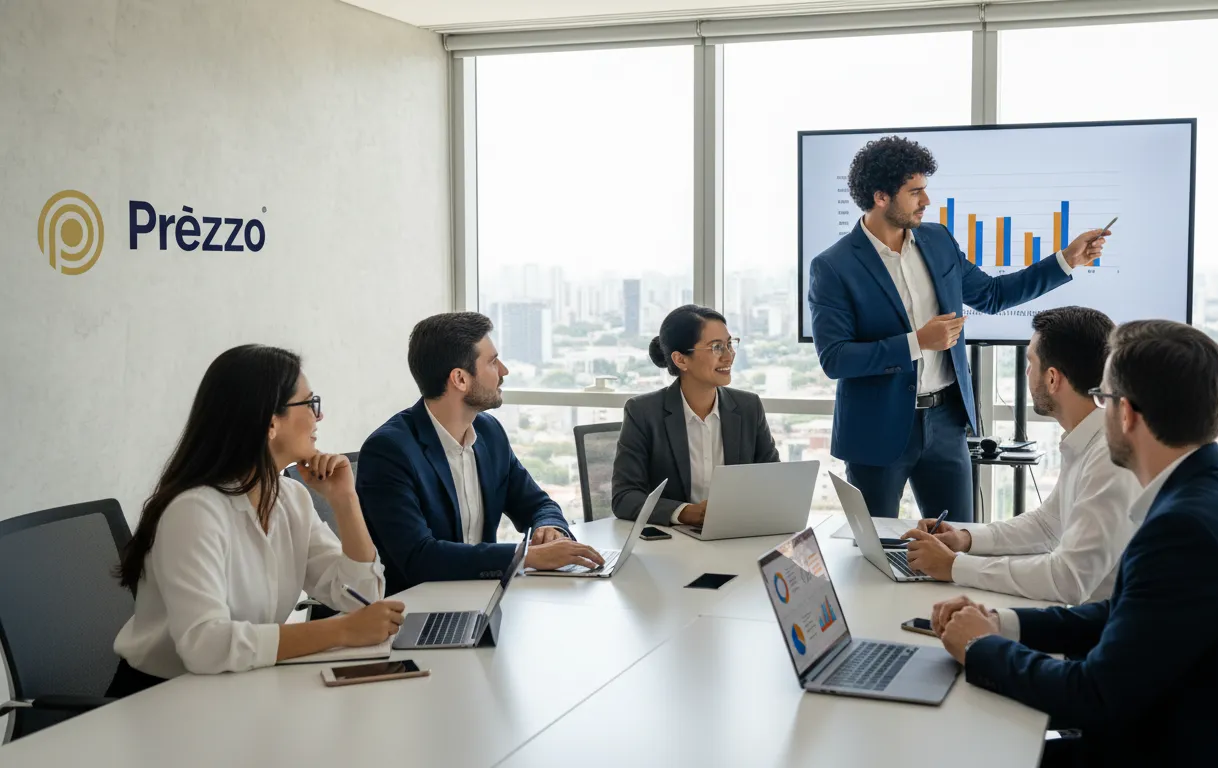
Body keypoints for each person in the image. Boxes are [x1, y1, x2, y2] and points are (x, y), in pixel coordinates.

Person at [931, 321, 1218, 767]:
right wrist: (1000, 624)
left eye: (1103, 398)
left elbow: (1094, 697)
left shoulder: (1184, 528)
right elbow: (1126, 612)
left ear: (1126, 414)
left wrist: (982, 648)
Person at [808, 136, 1109, 522]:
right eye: (914, 192)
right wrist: (917, 342)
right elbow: (835, 359)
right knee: (874, 545)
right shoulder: (833, 267)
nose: (926, 200)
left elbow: (992, 295)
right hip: (876, 431)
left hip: (946, 423)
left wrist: (1066, 260)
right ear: (881, 197)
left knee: (958, 539)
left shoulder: (938, 241)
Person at [108, 345, 405, 696]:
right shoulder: (194, 511)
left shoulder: (291, 498)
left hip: (239, 686)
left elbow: (363, 598)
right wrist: (341, 631)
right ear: (270, 422)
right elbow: (205, 645)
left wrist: (345, 501)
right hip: (160, 699)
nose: (319, 416)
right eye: (310, 403)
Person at [902, 307, 1142, 603]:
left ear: (1052, 379)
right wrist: (965, 539)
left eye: (1031, 362)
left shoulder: (1111, 458)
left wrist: (954, 566)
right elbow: (1048, 525)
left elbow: (1068, 579)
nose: (1027, 373)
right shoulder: (1090, 438)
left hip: (1098, 626)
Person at [357, 312, 606, 594]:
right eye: (492, 362)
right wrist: (526, 557)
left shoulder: (489, 433)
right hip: (416, 605)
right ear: (460, 379)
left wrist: (549, 529)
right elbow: (419, 557)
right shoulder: (389, 451)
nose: (504, 371)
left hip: (483, 596)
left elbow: (538, 504)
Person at [612, 305, 780, 526]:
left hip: (736, 532)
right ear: (681, 360)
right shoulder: (643, 412)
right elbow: (624, 497)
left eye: (730, 344)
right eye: (716, 347)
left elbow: (774, 482)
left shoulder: (749, 407)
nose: (729, 356)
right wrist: (684, 512)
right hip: (674, 539)